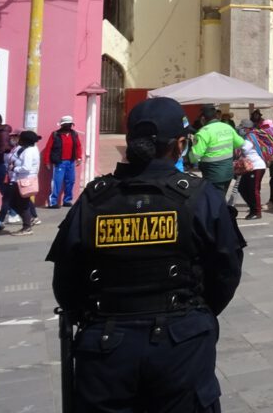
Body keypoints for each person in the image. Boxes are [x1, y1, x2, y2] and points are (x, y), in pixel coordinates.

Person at [46, 96, 245, 412]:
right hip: (181, 343)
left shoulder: (95, 199)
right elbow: (226, 271)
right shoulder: (199, 196)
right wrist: (195, 314)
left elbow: (66, 282)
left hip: (106, 346)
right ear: (180, 145)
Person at [192, 106, 243, 194]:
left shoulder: (203, 132)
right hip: (228, 173)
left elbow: (195, 157)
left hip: (212, 175)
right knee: (221, 199)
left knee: (214, 201)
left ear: (203, 118)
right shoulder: (227, 127)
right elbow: (240, 143)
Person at [6, 130, 43, 236]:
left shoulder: (28, 152)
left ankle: (27, 226)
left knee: (19, 203)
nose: (19, 140)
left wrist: (14, 169)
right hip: (26, 179)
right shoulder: (32, 149)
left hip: (24, 180)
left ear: (25, 140)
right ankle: (28, 221)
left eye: (21, 138)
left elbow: (26, 167)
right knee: (20, 203)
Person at [44, 115, 82, 208]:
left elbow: (78, 146)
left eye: (70, 124)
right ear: (62, 125)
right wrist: (47, 161)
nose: (69, 126)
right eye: (67, 124)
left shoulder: (74, 134)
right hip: (59, 162)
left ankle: (67, 200)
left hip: (71, 161)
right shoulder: (55, 134)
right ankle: (53, 202)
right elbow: (48, 148)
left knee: (71, 181)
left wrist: (79, 157)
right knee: (57, 182)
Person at [236, 120, 268, 219]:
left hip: (257, 166)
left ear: (247, 128)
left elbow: (245, 148)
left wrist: (237, 142)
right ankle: (252, 208)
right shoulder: (246, 137)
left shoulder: (251, 137)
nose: (240, 129)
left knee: (254, 190)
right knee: (242, 188)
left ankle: (257, 212)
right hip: (249, 167)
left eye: (242, 128)